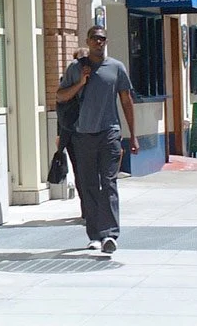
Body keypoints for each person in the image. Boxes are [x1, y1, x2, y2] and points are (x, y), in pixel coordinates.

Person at [56, 25, 138, 256]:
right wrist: (80, 83)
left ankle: (110, 234)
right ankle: (94, 236)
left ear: (106, 41)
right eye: (94, 39)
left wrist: (132, 135)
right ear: (88, 41)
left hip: (109, 133)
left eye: (102, 39)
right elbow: (60, 96)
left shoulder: (116, 68)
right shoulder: (75, 68)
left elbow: (126, 101)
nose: (98, 42)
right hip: (82, 135)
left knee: (109, 183)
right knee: (89, 185)